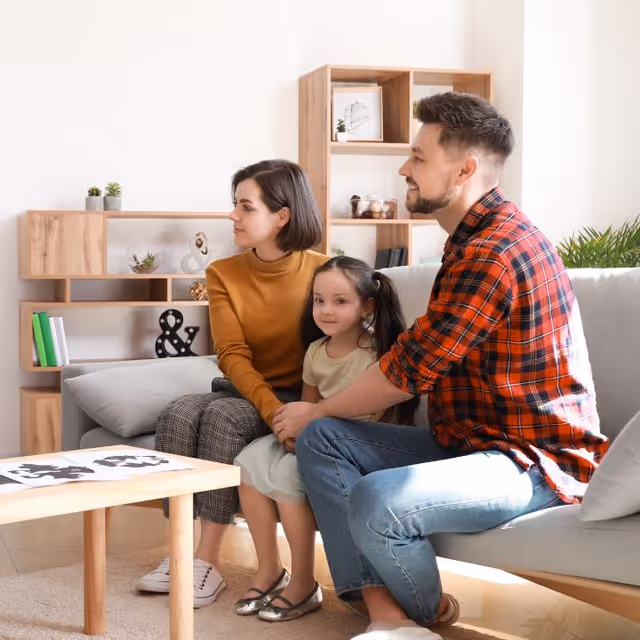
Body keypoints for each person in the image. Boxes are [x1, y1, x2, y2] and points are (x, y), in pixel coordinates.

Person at [272, 93, 609, 640]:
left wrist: (313, 409)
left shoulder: (494, 252)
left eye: (419, 157)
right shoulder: (468, 240)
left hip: (530, 460)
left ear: (465, 168)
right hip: (470, 442)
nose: (404, 168)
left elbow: (407, 371)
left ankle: (424, 616)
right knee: (324, 439)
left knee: (377, 499)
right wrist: (318, 418)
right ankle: (385, 614)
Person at [136, 159, 329, 607]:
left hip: (300, 396)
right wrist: (270, 411)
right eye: (234, 205)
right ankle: (181, 552)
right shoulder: (223, 273)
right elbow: (232, 355)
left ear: (282, 216)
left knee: (221, 417)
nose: (233, 216)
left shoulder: (326, 270)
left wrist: (292, 412)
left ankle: (206, 562)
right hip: (252, 391)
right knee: (178, 413)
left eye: (246, 206)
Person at [232, 256, 416, 622]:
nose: (326, 310)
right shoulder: (316, 352)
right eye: (319, 300)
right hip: (315, 435)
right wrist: (289, 432)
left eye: (340, 301)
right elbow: (308, 406)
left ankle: (303, 582)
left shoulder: (377, 354)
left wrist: (310, 433)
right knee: (247, 464)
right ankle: (269, 568)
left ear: (368, 305)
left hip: (354, 444)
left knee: (287, 476)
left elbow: (380, 417)